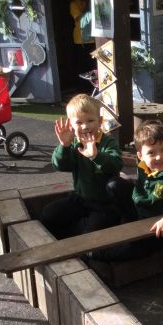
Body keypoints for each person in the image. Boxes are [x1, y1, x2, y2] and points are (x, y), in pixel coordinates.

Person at [93, 120, 163, 261]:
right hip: (141, 208)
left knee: (131, 250)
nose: (159, 156)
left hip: (159, 226)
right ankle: (124, 221)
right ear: (140, 156)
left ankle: (94, 254)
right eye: (151, 152)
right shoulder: (144, 163)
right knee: (113, 185)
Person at [40, 94, 122, 240]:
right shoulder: (73, 143)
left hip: (105, 204)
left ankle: (83, 230)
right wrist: (64, 146)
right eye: (79, 122)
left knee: (91, 234)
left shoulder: (108, 143)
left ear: (100, 121)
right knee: (48, 214)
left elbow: (116, 163)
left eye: (90, 120)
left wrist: (96, 156)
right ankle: (76, 229)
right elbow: (60, 165)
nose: (85, 126)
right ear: (71, 125)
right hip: (80, 199)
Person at [70, 0, 96, 90]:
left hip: (93, 39)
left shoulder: (89, 1)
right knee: (83, 66)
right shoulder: (74, 4)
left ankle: (93, 88)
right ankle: (83, 89)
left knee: (93, 65)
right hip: (81, 40)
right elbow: (84, 20)